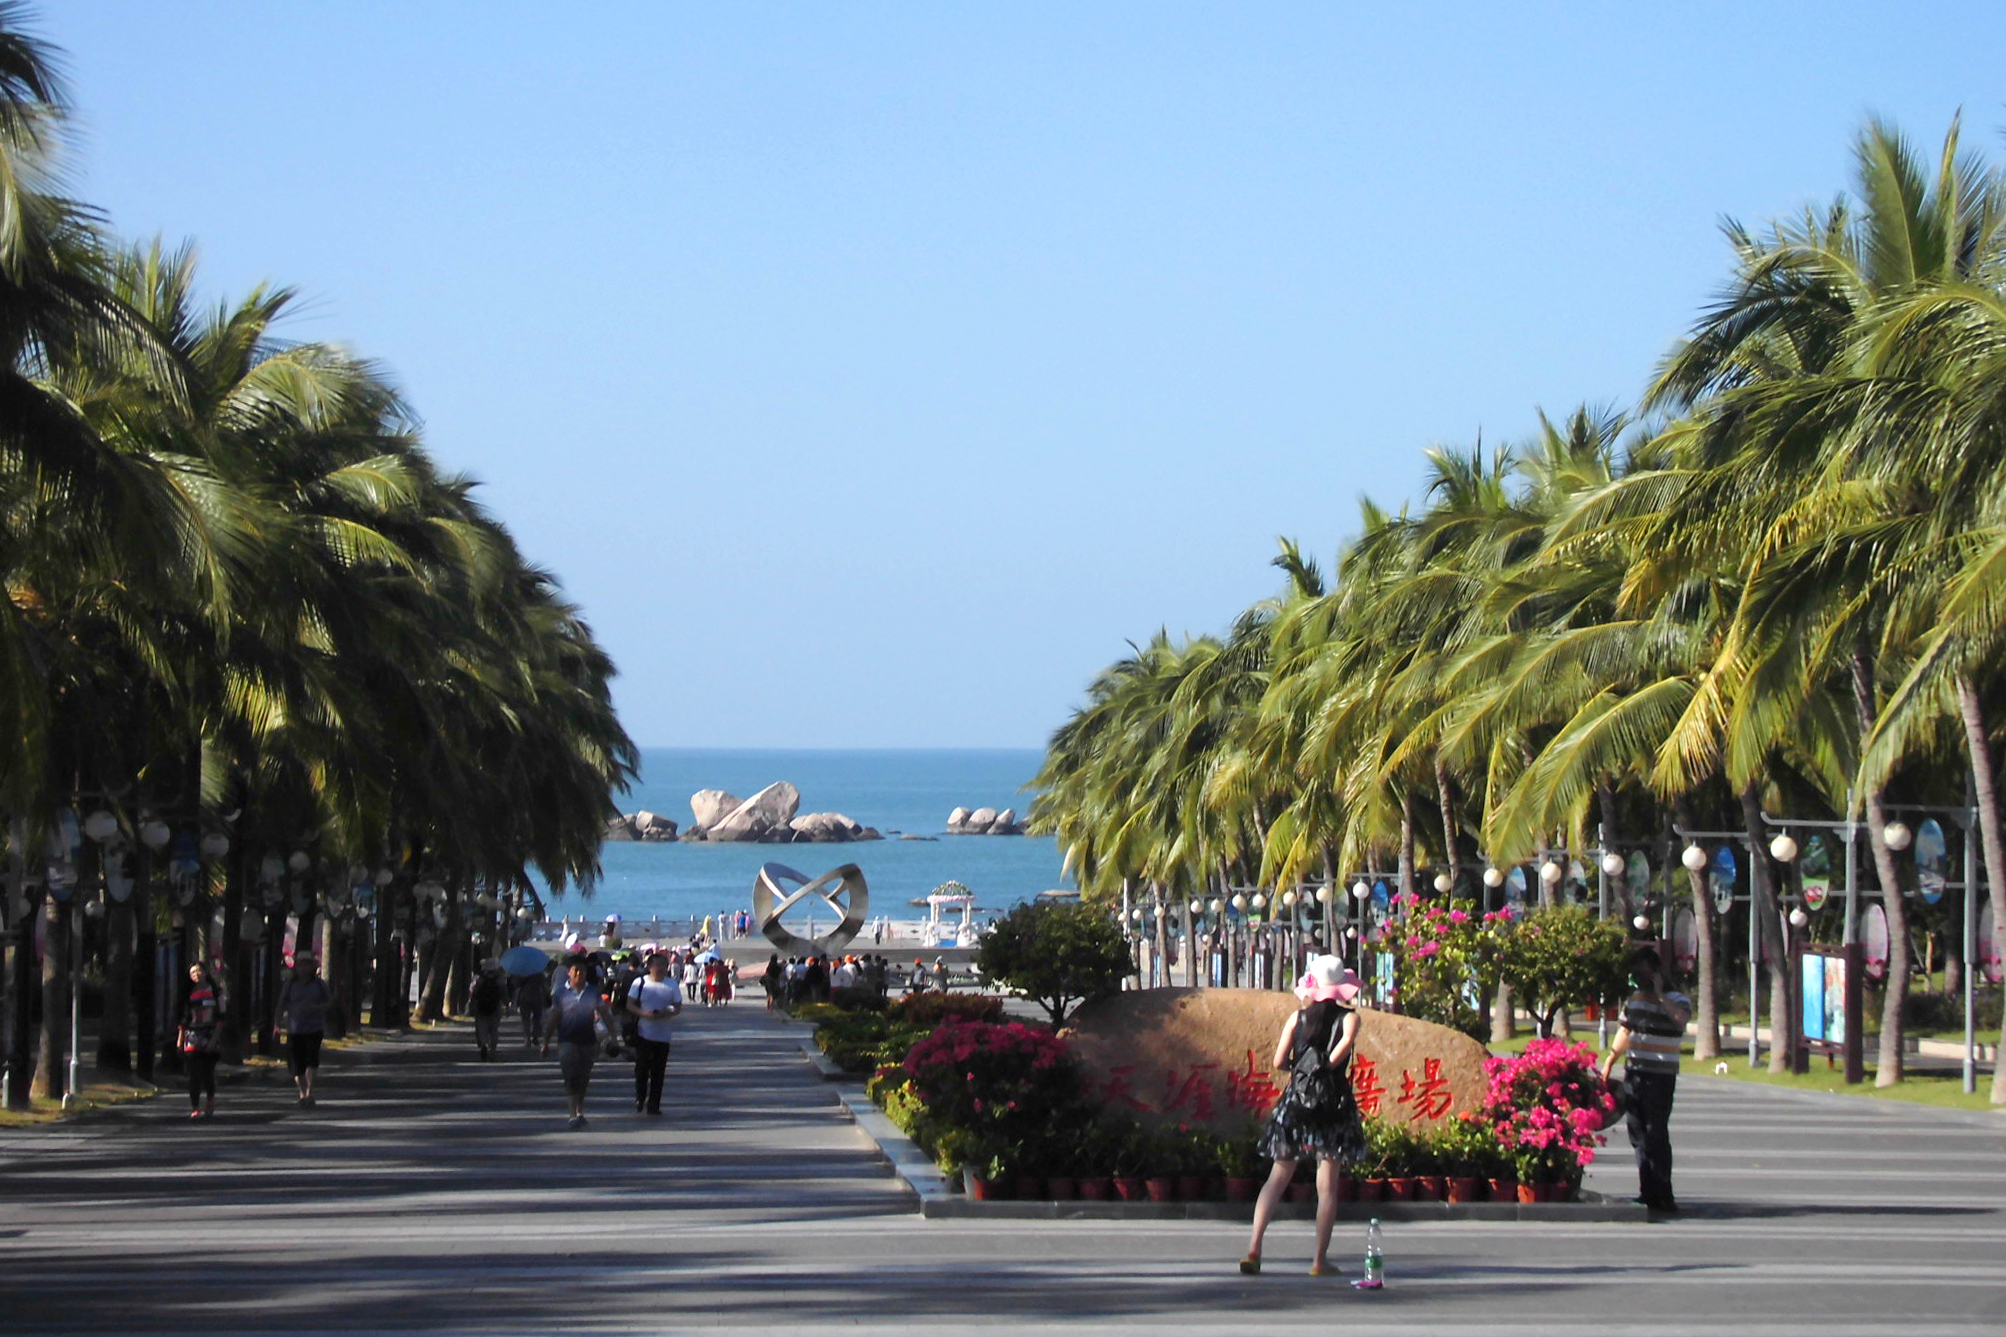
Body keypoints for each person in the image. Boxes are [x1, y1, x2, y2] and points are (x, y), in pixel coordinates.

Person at [1242, 955, 1367, 1277]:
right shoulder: (1350, 1019)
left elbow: (1279, 1060)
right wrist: (1323, 1068)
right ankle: (1318, 1261)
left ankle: (1255, 1247)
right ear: (1342, 989)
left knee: (1277, 1176)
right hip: (1332, 1106)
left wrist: (1300, 1072)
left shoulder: (1297, 1019)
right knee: (1327, 1186)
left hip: (1295, 1104)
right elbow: (1338, 1056)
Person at [1600, 947, 1693, 1213]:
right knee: (1638, 1133)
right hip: (1636, 1073)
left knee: (1656, 1133)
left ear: (1655, 972)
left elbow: (1681, 1020)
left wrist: (1661, 994)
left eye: (1643, 973)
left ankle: (1664, 1192)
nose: (1638, 979)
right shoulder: (1635, 1000)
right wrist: (1610, 1061)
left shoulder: (1677, 999)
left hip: (1660, 1076)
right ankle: (1647, 1191)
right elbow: (1625, 1030)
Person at [543, 956, 614, 1129]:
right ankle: (572, 1114)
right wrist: (545, 1041)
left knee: (583, 1077)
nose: (579, 973)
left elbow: (604, 1013)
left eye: (582, 970)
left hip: (588, 1040)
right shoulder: (560, 993)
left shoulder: (593, 991)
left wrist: (613, 1035)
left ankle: (579, 1109)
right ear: (569, 972)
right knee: (570, 1076)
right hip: (566, 1040)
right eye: (575, 970)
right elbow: (554, 1017)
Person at [626, 950, 684, 1115]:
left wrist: (667, 1013)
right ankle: (640, 1096)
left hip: (663, 1035)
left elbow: (678, 1006)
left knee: (658, 1072)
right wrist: (645, 1014)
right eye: (657, 966)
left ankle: (654, 1105)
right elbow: (629, 1004)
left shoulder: (671, 984)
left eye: (663, 966)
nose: (660, 969)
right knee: (642, 1069)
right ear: (649, 967)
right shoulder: (640, 982)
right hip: (644, 1033)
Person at [276, 952, 333, 1105]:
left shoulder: (319, 984)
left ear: (312, 966)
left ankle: (309, 1092)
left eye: (307, 964)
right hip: (295, 1029)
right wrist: (276, 1024)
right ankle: (302, 1093)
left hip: (314, 1028)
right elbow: (281, 1004)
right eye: (301, 964)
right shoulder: (290, 984)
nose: (304, 968)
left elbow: (329, 1003)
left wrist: (317, 1008)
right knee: (296, 1064)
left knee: (311, 1061)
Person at [177, 961, 225, 1120]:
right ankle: (195, 1107)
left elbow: (221, 1017)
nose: (196, 975)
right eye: (192, 973)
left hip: (210, 1035)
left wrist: (215, 1039)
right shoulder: (187, 992)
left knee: (207, 1073)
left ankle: (210, 1099)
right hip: (192, 1036)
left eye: (198, 971)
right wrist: (180, 1040)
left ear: (205, 973)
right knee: (193, 1074)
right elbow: (183, 1019)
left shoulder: (216, 992)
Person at [469, 961, 506, 1061]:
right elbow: (504, 993)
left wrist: (472, 1005)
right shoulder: (499, 980)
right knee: (494, 1030)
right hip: (496, 1008)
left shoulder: (480, 979)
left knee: (482, 1028)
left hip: (481, 1007)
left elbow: (474, 993)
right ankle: (493, 1050)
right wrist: (507, 1005)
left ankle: (484, 1044)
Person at [514, 965, 550, 1048]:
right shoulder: (539, 973)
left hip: (524, 997)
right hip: (537, 996)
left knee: (525, 1019)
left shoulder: (521, 973)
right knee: (537, 1018)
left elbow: (516, 984)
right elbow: (544, 985)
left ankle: (527, 1039)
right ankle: (535, 1036)